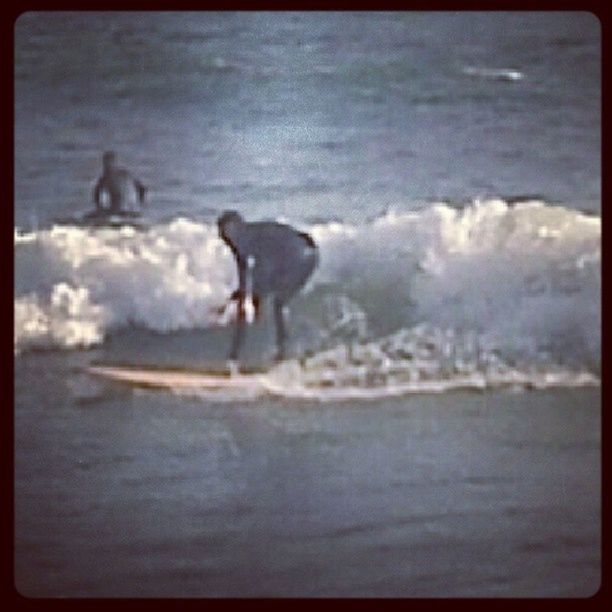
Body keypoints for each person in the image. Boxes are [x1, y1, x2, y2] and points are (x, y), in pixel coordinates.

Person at [217, 211, 319, 363]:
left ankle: (284, 351)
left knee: (278, 303)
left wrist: (250, 297)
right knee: (278, 301)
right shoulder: (247, 238)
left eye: (224, 233)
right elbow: (245, 282)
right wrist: (241, 297)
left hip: (299, 256)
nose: (223, 239)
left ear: (233, 229)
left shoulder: (243, 240)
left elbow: (255, 276)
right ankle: (293, 347)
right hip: (308, 252)